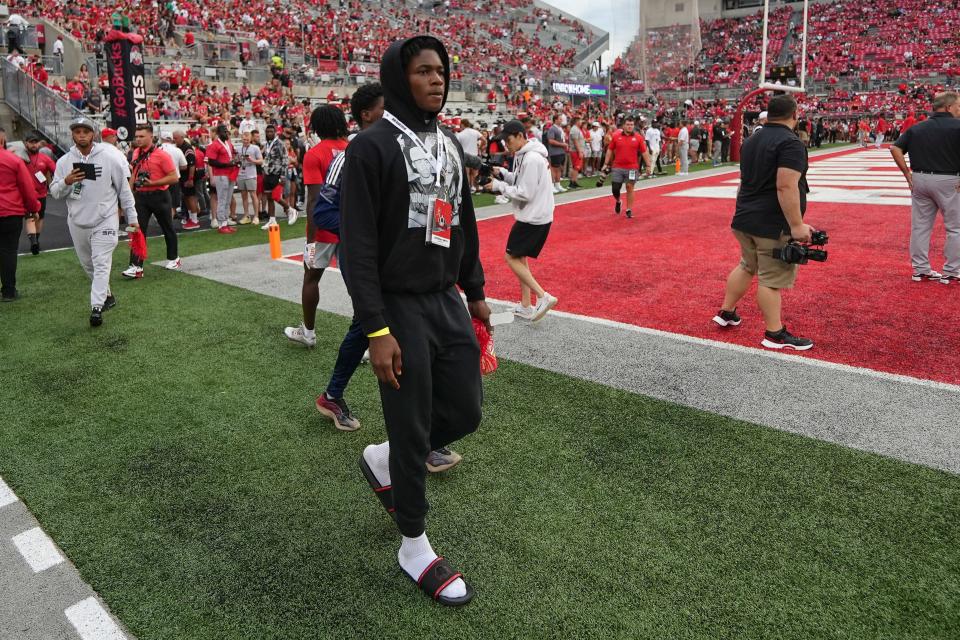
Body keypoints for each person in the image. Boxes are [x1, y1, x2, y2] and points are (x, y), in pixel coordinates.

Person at [340, 35, 490, 607]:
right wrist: (376, 329)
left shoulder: (449, 143)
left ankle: (384, 459)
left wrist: (474, 291)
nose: (437, 80)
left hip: (444, 297)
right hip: (398, 305)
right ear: (401, 79)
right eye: (425, 71)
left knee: (465, 408)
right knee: (409, 419)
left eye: (441, 71)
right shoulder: (371, 148)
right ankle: (414, 544)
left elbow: (466, 222)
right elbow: (356, 248)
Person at [713, 94, 815, 351]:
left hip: (745, 216)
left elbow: (743, 182)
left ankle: (726, 312)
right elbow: (785, 185)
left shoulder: (752, 140)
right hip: (771, 221)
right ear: (795, 115)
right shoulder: (790, 143)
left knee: (747, 265)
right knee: (771, 278)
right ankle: (774, 333)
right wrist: (796, 225)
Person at [49, 117, 136, 325]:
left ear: (93, 134)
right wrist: (67, 181)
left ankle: (96, 308)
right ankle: (107, 295)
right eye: (77, 131)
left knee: (101, 262)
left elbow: (124, 190)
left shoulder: (109, 157)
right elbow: (54, 192)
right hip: (77, 221)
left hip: (105, 219)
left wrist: (132, 218)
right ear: (72, 134)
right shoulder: (63, 162)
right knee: (88, 264)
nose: (81, 135)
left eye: (85, 131)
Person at [284, 105, 349, 347]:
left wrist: (310, 240)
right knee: (359, 284)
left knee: (311, 277)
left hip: (323, 229)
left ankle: (309, 332)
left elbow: (314, 200)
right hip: (351, 225)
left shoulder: (315, 154)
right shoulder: (353, 149)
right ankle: (366, 339)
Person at [484, 119, 558, 321]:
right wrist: (503, 174)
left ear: (519, 136)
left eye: (508, 140)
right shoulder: (528, 155)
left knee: (511, 258)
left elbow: (525, 192)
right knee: (520, 257)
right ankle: (526, 305)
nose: (506, 144)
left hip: (533, 217)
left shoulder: (531, 158)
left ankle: (543, 296)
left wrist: (499, 186)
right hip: (535, 215)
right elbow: (520, 180)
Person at [890, 91, 960, 284]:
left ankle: (921, 270)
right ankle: (951, 271)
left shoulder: (918, 128)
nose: (959, 109)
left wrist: (907, 173)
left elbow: (895, 148)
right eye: (958, 106)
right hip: (949, 180)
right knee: (955, 228)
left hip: (920, 178)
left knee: (920, 227)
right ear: (948, 107)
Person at [122, 124, 181, 278]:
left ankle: (174, 258)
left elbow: (174, 177)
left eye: (142, 136)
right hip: (141, 197)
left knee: (167, 228)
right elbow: (134, 172)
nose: (138, 139)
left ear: (151, 136)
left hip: (160, 196)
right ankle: (136, 266)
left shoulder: (162, 155)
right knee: (137, 230)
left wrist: (152, 183)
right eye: (137, 136)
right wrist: (129, 193)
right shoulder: (135, 152)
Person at [0, 141, 39, 302]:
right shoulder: (13, 160)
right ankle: (8, 291)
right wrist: (33, 208)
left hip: (10, 210)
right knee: (8, 251)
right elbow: (26, 187)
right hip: (10, 211)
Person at [601, 116, 651, 219]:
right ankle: (618, 201)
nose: (629, 127)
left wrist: (648, 165)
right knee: (615, 189)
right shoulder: (616, 136)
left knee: (629, 187)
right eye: (627, 125)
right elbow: (610, 150)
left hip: (632, 168)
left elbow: (644, 152)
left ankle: (629, 209)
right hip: (617, 167)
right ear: (623, 126)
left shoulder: (638, 137)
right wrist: (606, 163)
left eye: (631, 125)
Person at [23, 131, 55, 255]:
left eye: (35, 142)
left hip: (42, 193)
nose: (34, 145)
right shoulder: (21, 157)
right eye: (31, 142)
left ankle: (36, 239)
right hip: (27, 194)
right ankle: (34, 243)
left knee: (40, 218)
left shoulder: (44, 158)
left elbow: (55, 169)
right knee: (30, 217)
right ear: (26, 143)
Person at [260, 124, 296, 229]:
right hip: (267, 173)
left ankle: (290, 209)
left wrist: (283, 176)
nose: (269, 133)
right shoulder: (266, 144)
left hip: (276, 173)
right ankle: (272, 220)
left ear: (275, 132)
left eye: (271, 131)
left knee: (276, 196)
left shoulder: (279, 144)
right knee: (269, 197)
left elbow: (285, 160)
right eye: (267, 132)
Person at [205, 124, 239, 234]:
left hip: (230, 173)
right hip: (220, 174)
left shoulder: (228, 143)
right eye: (224, 131)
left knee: (227, 199)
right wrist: (226, 164)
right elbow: (211, 161)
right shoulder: (214, 145)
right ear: (219, 133)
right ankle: (221, 224)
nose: (226, 133)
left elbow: (233, 153)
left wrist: (236, 160)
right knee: (222, 198)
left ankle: (225, 223)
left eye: (226, 131)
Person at [173, 130, 200, 230]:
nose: (174, 140)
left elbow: (192, 165)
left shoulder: (187, 148)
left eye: (176, 138)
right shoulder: (179, 147)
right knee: (186, 197)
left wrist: (190, 179)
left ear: (181, 137)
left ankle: (195, 220)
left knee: (191, 197)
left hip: (189, 176)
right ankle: (190, 218)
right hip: (183, 176)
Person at [160, 131, 187, 224]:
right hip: (174, 179)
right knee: (173, 204)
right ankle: (168, 223)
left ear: (161, 139)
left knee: (161, 203)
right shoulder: (177, 150)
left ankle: (165, 222)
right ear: (171, 139)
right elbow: (184, 166)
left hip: (161, 180)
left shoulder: (157, 149)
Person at [236, 131, 262, 224]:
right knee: (244, 196)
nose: (245, 141)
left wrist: (252, 160)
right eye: (244, 139)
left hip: (251, 175)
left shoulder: (255, 148)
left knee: (253, 195)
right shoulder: (238, 148)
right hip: (241, 174)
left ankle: (256, 216)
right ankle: (246, 215)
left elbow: (261, 161)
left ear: (250, 139)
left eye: (247, 139)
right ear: (241, 139)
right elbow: (236, 160)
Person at [455, 119, 481, 189]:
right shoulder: (475, 132)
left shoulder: (460, 134)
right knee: (474, 174)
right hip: (474, 155)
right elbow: (484, 140)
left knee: (466, 174)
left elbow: (456, 145)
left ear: (463, 124)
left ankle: (469, 188)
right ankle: (475, 187)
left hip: (465, 155)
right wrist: (480, 147)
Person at [545, 112, 567, 193]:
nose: (561, 120)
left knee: (559, 169)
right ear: (555, 120)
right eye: (560, 119)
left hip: (561, 151)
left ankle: (557, 185)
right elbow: (550, 140)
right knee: (554, 169)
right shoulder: (552, 129)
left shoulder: (559, 128)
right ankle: (551, 185)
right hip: (555, 152)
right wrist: (562, 144)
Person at [567, 116, 585, 188]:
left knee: (577, 167)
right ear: (577, 121)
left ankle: (574, 181)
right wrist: (580, 151)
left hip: (577, 151)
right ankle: (572, 183)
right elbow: (576, 141)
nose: (581, 122)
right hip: (575, 151)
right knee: (576, 167)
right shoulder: (574, 129)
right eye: (580, 121)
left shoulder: (576, 129)